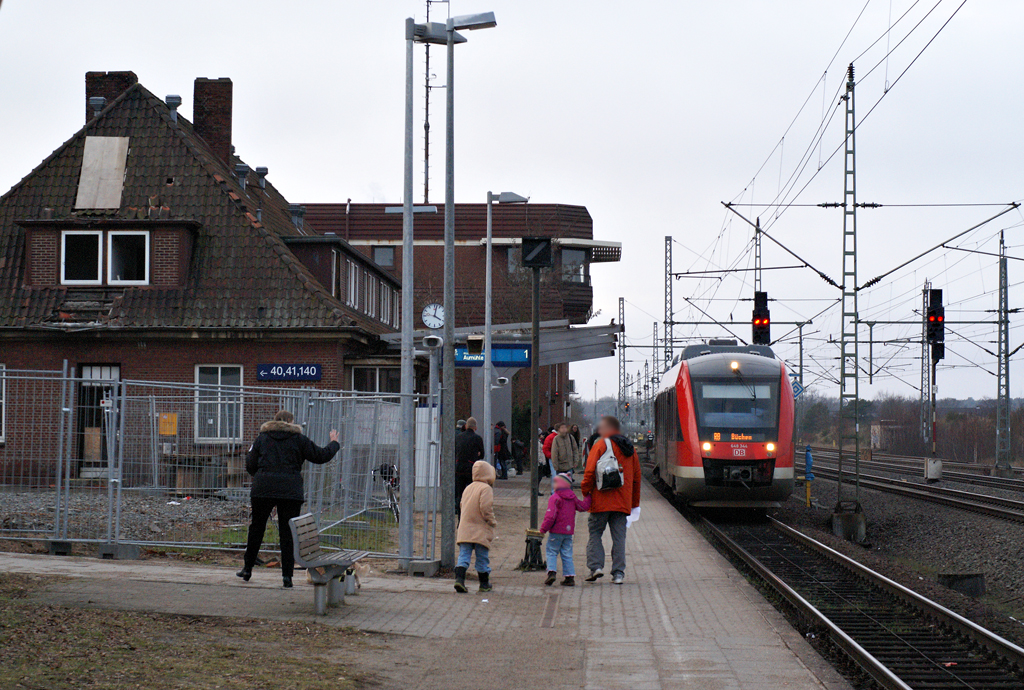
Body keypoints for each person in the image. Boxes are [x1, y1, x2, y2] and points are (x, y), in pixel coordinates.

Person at [239, 410, 340, 588]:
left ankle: (247, 568)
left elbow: (250, 463)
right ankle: (287, 576)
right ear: (291, 422)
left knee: (257, 527)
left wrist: (262, 476)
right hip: (290, 490)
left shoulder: (262, 438)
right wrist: (334, 443)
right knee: (287, 533)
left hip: (263, 488)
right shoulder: (299, 440)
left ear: (274, 420)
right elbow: (321, 456)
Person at [581, 415, 641, 585]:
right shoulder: (631, 450)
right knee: (619, 538)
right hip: (622, 502)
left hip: (600, 500)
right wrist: (634, 503)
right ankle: (618, 573)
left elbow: (589, 472)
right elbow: (637, 479)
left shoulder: (600, 445)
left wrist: (586, 492)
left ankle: (596, 567)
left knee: (595, 534)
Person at [539, 472, 591, 586]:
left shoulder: (555, 498)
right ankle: (569, 576)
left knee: (551, 551)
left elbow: (550, 516)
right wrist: (589, 496)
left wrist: (542, 530)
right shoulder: (572, 497)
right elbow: (583, 507)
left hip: (555, 532)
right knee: (567, 553)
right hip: (568, 532)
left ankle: (552, 572)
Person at [455, 460, 497, 593]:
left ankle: (459, 580)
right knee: (482, 556)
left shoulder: (469, 487)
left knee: (464, 555)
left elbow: (461, 505)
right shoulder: (486, 489)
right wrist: (492, 521)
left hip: (465, 528)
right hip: (480, 528)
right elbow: (486, 508)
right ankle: (484, 583)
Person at [454, 417, 485, 514]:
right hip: (472, 469)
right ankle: (471, 513)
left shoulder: (458, 437)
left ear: (466, 426)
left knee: (460, 493)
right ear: (475, 427)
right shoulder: (477, 438)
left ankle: (460, 515)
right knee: (472, 493)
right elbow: (482, 454)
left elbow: (455, 452)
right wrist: (477, 454)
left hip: (459, 468)